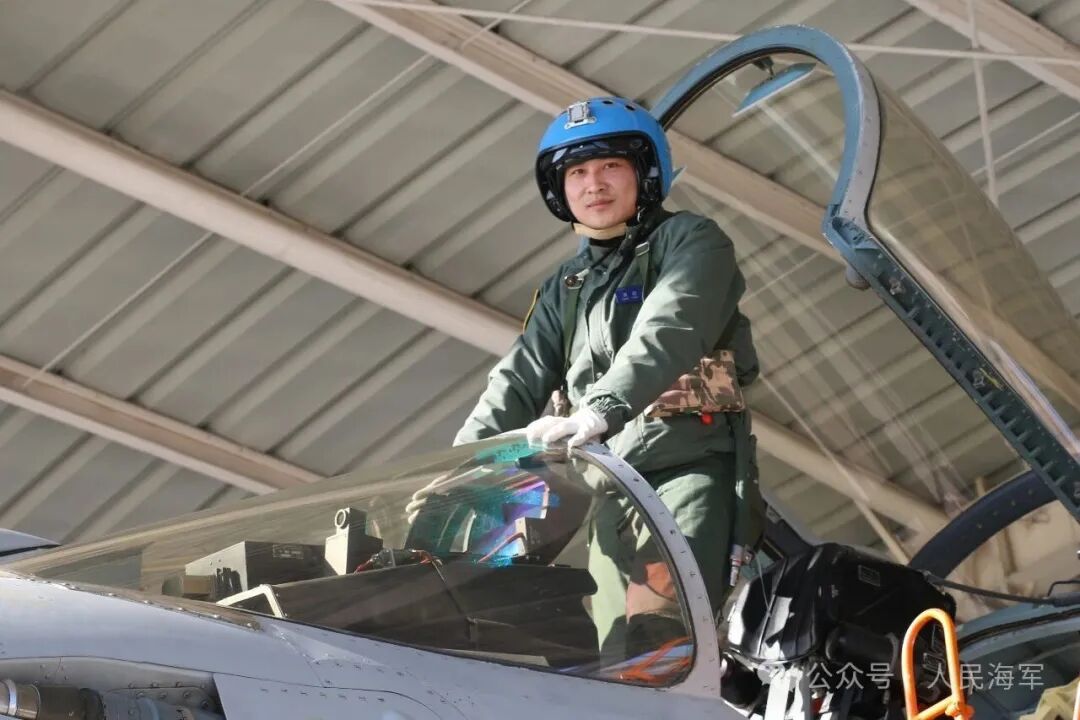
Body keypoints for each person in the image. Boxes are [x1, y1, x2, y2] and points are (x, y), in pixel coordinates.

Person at [454, 96, 763, 654]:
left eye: (610, 166)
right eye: (576, 172)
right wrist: (459, 465)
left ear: (645, 173)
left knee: (659, 645)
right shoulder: (566, 286)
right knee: (614, 660)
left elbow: (670, 330)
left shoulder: (692, 242)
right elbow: (517, 378)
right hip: (609, 489)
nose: (593, 184)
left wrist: (600, 409)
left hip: (684, 477)